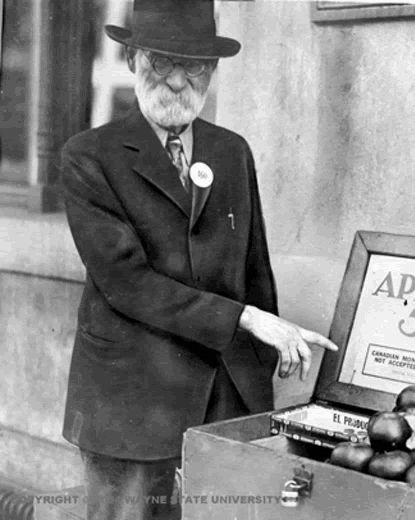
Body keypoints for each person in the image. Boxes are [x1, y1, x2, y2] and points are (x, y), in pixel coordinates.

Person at [60, 1, 338, 518]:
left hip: (225, 396)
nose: (177, 81)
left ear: (211, 72)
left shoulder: (231, 151)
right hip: (131, 403)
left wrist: (264, 373)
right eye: (162, 62)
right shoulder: (89, 156)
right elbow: (128, 283)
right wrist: (248, 319)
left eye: (194, 66)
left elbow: (255, 270)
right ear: (131, 59)